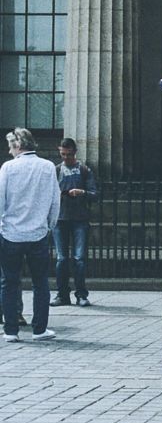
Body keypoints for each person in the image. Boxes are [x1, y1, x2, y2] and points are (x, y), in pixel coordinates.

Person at [0, 128, 60, 342]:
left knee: (9, 282)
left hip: (11, 234)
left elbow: (1, 199)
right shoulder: (47, 167)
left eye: (10, 146)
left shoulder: (8, 168)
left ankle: (11, 331)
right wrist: (49, 225)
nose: (9, 151)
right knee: (40, 282)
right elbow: (55, 200)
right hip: (38, 233)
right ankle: (39, 329)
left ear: (18, 145)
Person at [51, 138, 98, 307]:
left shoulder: (84, 170)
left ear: (74, 152)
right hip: (60, 218)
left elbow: (95, 194)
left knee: (79, 258)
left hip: (80, 219)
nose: (65, 158)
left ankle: (81, 294)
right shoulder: (56, 170)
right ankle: (62, 294)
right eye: (63, 154)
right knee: (62, 259)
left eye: (69, 155)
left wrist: (82, 192)